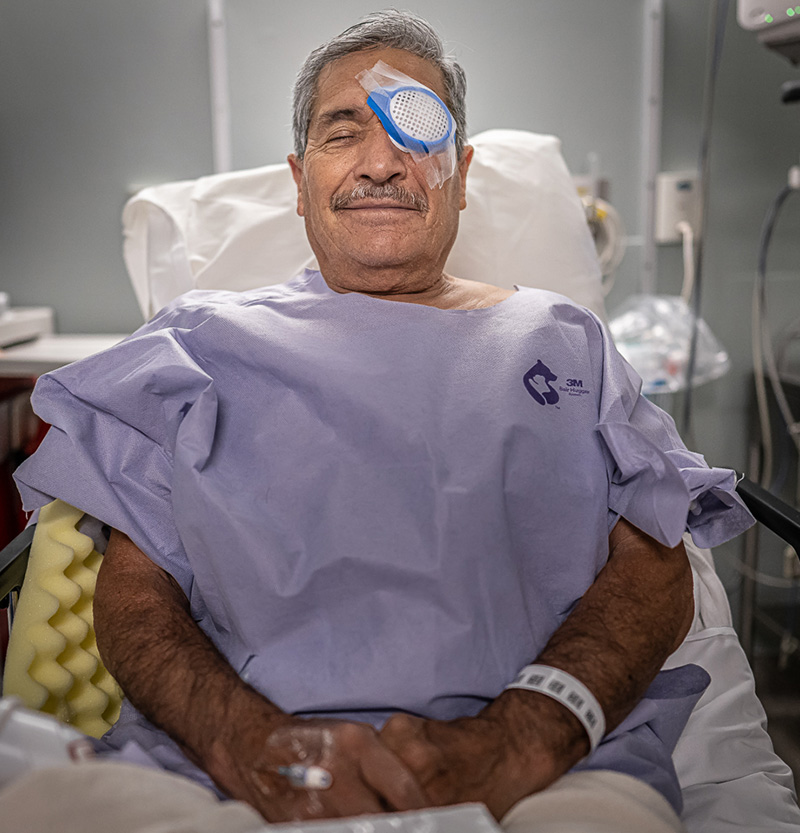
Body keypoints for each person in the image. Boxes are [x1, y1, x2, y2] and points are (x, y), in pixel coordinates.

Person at [14, 10, 754, 832]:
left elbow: (656, 562)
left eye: (416, 131)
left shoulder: (561, 339)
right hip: (217, 772)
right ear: (298, 181)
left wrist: (527, 734)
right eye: (344, 132)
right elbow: (135, 586)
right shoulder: (198, 344)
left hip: (553, 771)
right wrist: (245, 740)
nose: (381, 162)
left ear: (461, 177)